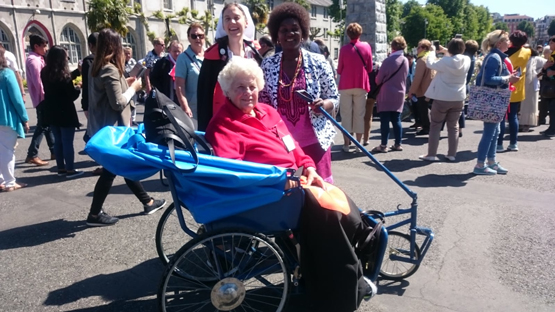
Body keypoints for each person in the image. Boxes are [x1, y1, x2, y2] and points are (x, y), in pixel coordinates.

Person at [205, 57, 376, 312]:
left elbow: (293, 146)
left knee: (333, 195)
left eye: (252, 86)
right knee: (325, 214)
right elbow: (235, 172)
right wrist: (280, 180)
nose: (248, 93)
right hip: (269, 191)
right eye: (240, 87)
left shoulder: (268, 112)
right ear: (228, 90)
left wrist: (309, 167)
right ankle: (343, 287)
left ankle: (360, 240)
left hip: (294, 180)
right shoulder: (223, 125)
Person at [86, 28, 166, 226]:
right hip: (112, 131)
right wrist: (133, 88)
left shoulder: (98, 67)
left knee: (119, 166)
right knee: (113, 169)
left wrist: (126, 84)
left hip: (105, 128)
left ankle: (147, 201)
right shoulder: (109, 69)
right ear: (115, 46)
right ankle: (94, 215)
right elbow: (118, 103)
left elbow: (109, 95)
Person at [259, 2, 339, 183]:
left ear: (303, 32)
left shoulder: (319, 62)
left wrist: (324, 105)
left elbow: (334, 97)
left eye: (294, 29)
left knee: (320, 196)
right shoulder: (268, 64)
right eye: (284, 30)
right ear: (276, 35)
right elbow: (263, 105)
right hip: (283, 145)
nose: (289, 34)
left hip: (316, 143)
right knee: (291, 194)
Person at [197, 2, 262, 131]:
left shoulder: (256, 55)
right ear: (223, 24)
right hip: (223, 124)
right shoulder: (212, 56)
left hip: (253, 123)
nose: (232, 22)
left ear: (246, 22)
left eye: (237, 18)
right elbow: (204, 99)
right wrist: (205, 132)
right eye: (227, 19)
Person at [473, 30, 520, 175]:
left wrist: (508, 77)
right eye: (506, 40)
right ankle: (480, 164)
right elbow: (489, 79)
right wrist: (508, 79)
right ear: (499, 43)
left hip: (493, 100)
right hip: (492, 100)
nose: (509, 43)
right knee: (490, 132)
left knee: (495, 131)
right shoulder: (495, 57)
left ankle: (491, 162)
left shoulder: (495, 56)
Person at [418, 38, 470, 162]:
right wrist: (446, 51)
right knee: (453, 127)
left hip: (442, 98)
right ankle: (451, 154)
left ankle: (431, 154)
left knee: (435, 126)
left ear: (450, 49)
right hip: (458, 98)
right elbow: (457, 57)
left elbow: (430, 63)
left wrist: (433, 51)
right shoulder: (466, 60)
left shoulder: (445, 61)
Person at [40, 46, 83, 178]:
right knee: (67, 141)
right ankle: (70, 169)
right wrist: (78, 88)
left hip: (51, 109)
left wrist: (76, 72)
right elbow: (71, 95)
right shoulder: (64, 75)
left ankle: (61, 168)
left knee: (58, 141)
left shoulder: (45, 72)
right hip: (65, 111)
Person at [337, 22, 372, 153]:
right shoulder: (366, 47)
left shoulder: (344, 49)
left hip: (346, 84)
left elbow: (339, 69)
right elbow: (369, 68)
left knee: (346, 115)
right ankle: (358, 144)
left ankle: (346, 144)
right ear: (360, 33)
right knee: (359, 114)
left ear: (348, 34)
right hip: (361, 84)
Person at [371, 36, 409, 153]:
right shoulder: (405, 60)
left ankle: (383, 145)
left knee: (385, 120)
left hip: (386, 93)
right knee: (396, 119)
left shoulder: (388, 61)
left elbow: (378, 80)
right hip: (400, 92)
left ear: (392, 47)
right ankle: (398, 144)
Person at [0, 48, 29, 192]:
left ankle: (1, 179)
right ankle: (10, 182)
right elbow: (17, 100)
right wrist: (24, 118)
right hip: (5, 118)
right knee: (7, 150)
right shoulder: (6, 74)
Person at [497, 31, 531, 152]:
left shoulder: (504, 53)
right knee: (513, 116)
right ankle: (513, 143)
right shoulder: (527, 52)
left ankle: (499, 144)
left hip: (504, 87)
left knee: (501, 117)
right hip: (517, 88)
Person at [25, 34, 54, 166]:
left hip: (41, 97)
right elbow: (39, 81)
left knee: (47, 125)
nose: (46, 48)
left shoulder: (37, 58)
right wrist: (45, 96)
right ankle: (32, 154)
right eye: (44, 46)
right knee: (42, 126)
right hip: (41, 98)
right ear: (36, 46)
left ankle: (54, 150)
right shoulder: (34, 61)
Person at [175, 22, 205, 118]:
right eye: (194, 36)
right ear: (189, 38)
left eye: (201, 36)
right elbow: (179, 86)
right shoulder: (183, 58)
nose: (198, 39)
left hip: (210, 107)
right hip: (193, 110)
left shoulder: (210, 55)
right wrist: (185, 107)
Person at [409, 39, 435, 135]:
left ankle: (426, 127)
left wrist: (412, 91)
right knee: (432, 109)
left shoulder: (422, 60)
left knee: (423, 109)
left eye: (418, 47)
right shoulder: (431, 57)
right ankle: (432, 127)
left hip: (423, 88)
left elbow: (418, 78)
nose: (417, 49)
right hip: (432, 88)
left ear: (424, 48)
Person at [519, 48, 546, 132]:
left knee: (530, 105)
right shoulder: (522, 58)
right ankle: (520, 123)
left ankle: (527, 124)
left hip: (531, 85)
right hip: (521, 84)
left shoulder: (536, 59)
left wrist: (539, 74)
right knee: (521, 105)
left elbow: (547, 64)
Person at [540, 36, 555, 137]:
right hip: (550, 84)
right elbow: (544, 69)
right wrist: (545, 68)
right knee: (551, 108)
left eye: (551, 43)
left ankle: (552, 129)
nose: (549, 45)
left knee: (553, 109)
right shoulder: (552, 55)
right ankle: (551, 127)